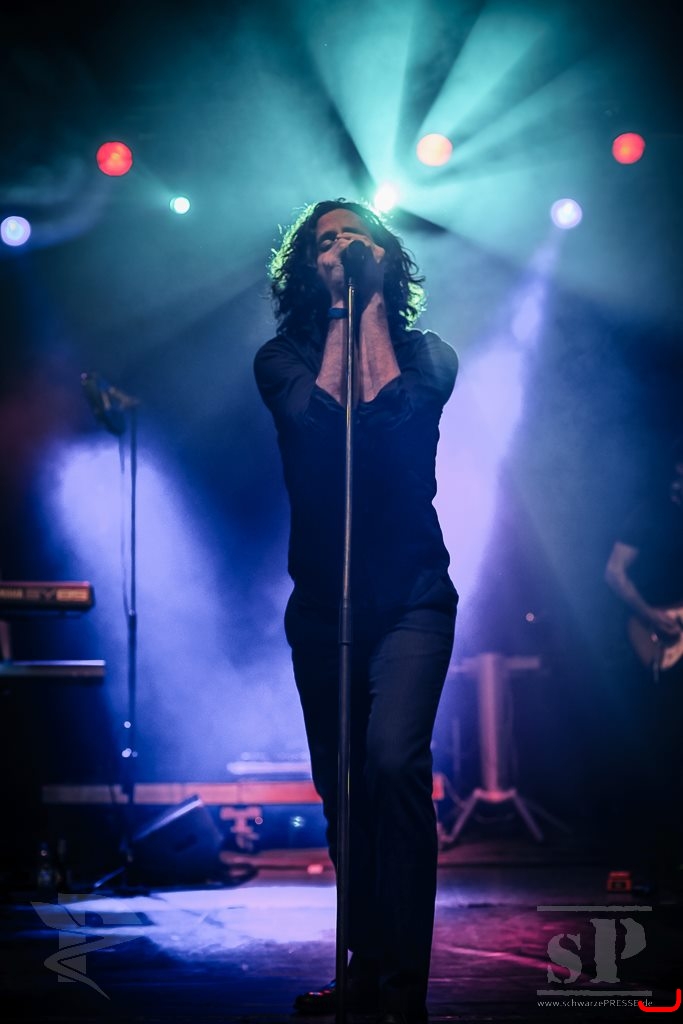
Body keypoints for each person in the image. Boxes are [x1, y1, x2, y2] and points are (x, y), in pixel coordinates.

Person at [253, 199, 459, 1024]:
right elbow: (320, 432)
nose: (339, 247)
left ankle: (402, 987)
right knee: (344, 794)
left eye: (353, 237)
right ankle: (364, 968)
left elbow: (387, 429)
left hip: (412, 601)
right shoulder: (280, 359)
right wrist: (344, 313)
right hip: (324, 609)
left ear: (385, 256)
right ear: (307, 268)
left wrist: (365, 305)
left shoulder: (428, 354)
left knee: (391, 763)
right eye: (324, 241)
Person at [604, 438, 683, 899]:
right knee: (661, 755)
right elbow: (614, 572)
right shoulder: (650, 514)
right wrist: (652, 616)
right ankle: (655, 865)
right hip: (658, 635)